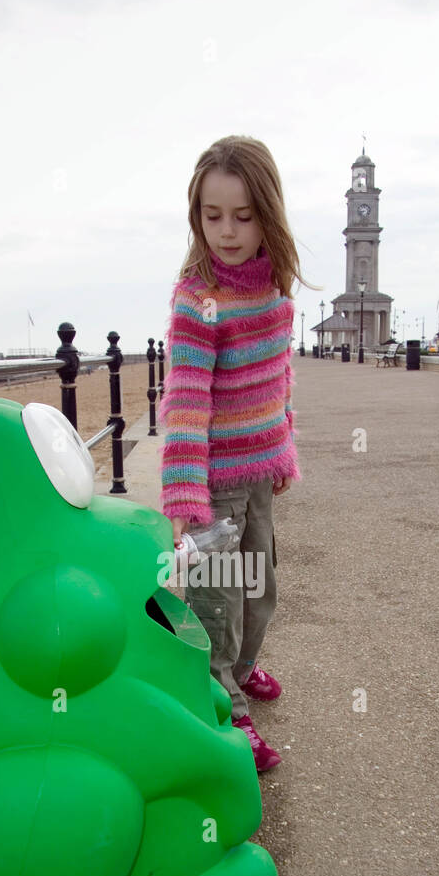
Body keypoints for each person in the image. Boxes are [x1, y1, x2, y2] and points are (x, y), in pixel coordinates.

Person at [157, 135, 319, 771]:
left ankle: (244, 667)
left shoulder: (274, 288)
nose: (227, 231)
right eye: (213, 215)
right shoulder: (198, 298)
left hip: (258, 473)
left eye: (244, 216)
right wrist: (183, 494)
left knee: (260, 585)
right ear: (196, 216)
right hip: (213, 483)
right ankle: (222, 703)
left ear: (267, 215)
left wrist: (283, 444)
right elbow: (186, 400)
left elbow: (279, 376)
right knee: (217, 599)